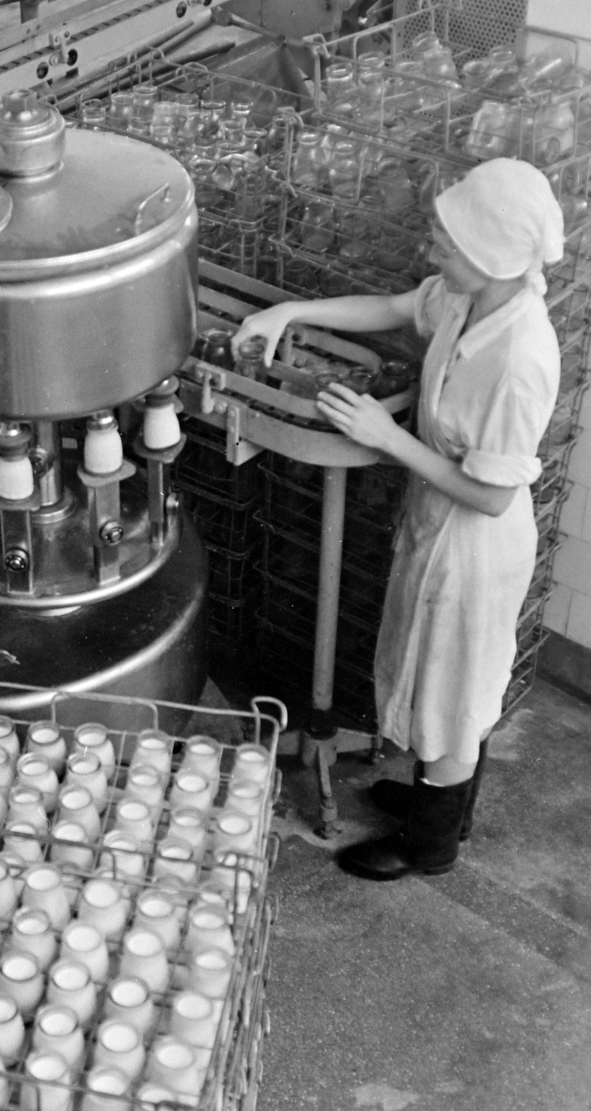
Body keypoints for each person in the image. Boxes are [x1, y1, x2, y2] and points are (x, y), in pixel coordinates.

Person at [231, 158, 564, 881]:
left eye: (446, 240)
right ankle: (434, 799)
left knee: (452, 695)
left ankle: (431, 844)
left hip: (474, 546)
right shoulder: (468, 297)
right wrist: (291, 312)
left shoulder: (521, 358)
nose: (431, 249)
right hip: (436, 522)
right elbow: (389, 308)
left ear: (491, 253)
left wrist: (388, 439)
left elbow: (492, 496)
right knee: (437, 680)